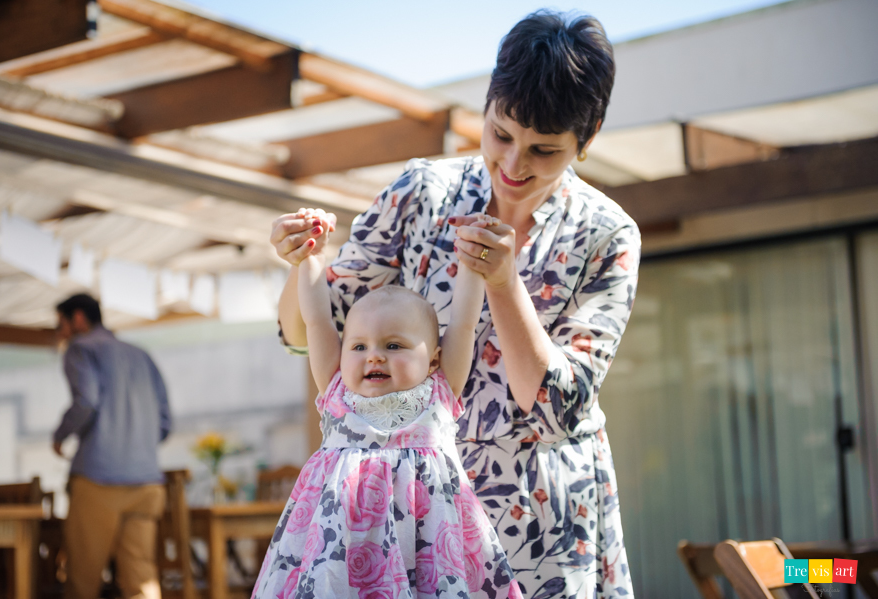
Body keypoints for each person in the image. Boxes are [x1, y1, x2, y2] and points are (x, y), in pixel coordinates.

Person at [270, 10, 638, 598]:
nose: (514, 166)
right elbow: (310, 333)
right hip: (405, 519)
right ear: (487, 106)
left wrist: (503, 280)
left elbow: (555, 411)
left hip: (535, 517)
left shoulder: (606, 235)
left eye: (543, 151)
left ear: (586, 140)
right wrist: (298, 261)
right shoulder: (422, 193)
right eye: (501, 135)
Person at [252, 212, 522, 599]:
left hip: (426, 545)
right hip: (341, 551)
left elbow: (463, 324)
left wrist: (472, 262)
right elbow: (317, 322)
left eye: (393, 346)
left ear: (433, 359)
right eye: (359, 346)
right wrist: (309, 257)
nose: (373, 357)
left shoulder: (441, 391)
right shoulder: (336, 388)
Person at [52, 293, 171, 599]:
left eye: (60, 324)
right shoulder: (140, 354)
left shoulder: (80, 348)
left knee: (83, 577)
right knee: (140, 579)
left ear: (78, 318)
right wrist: (137, 446)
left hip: (99, 479)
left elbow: (86, 400)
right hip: (146, 481)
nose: (59, 333)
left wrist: (60, 434)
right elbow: (165, 421)